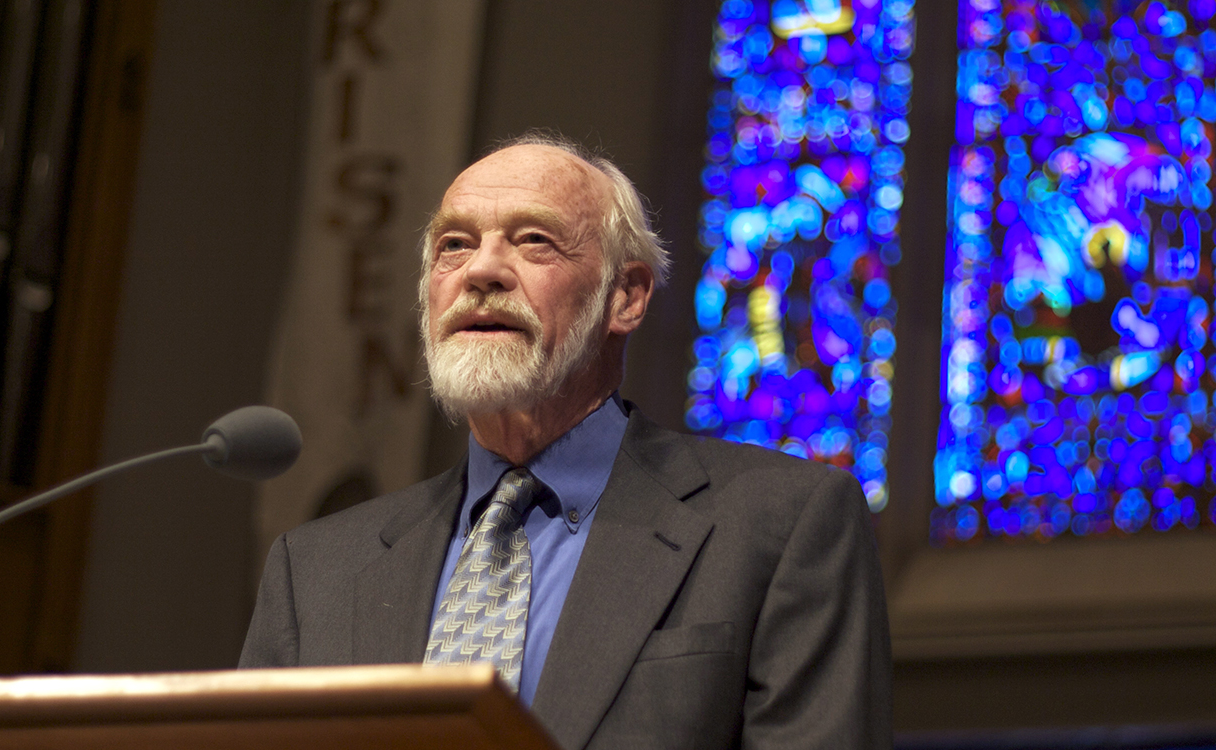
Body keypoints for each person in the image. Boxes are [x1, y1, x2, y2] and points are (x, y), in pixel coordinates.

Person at [239, 132, 892, 749]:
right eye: (454, 245)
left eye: (532, 241)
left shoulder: (781, 526)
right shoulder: (315, 570)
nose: (482, 271)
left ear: (626, 298)